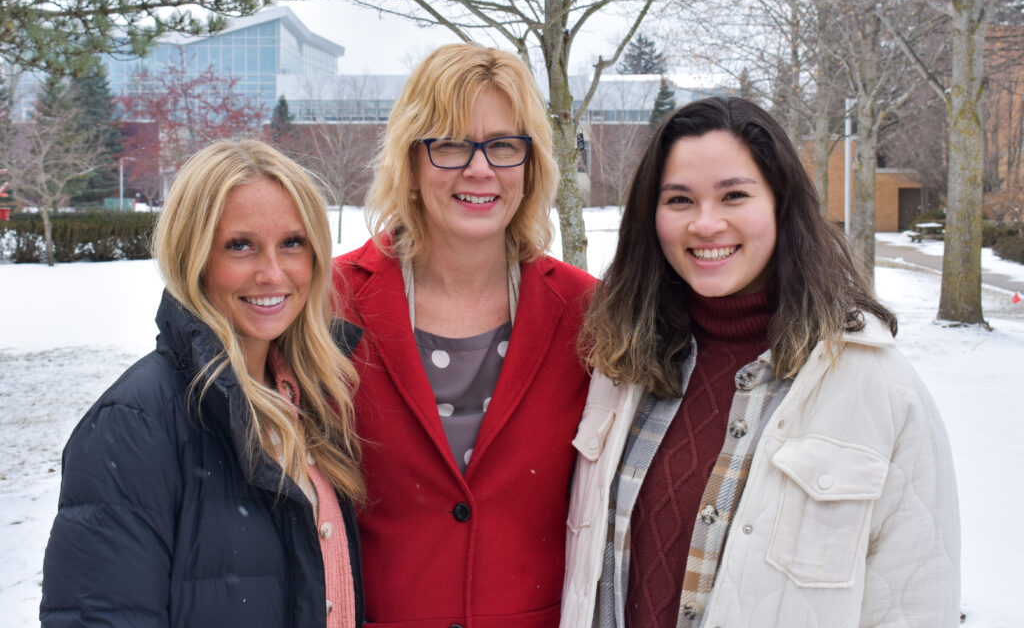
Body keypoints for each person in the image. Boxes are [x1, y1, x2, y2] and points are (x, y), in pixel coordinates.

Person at [562, 97, 960, 627]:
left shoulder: (880, 390)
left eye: (734, 195)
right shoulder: (619, 363)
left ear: (781, 204)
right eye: (680, 200)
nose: (706, 224)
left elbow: (914, 605)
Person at [41, 140, 365, 628]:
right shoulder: (135, 425)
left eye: (292, 243)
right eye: (240, 246)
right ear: (193, 256)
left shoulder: (311, 400)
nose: (273, 273)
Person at [333, 43, 596, 628]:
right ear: (411, 158)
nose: (480, 170)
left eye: (503, 145)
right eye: (450, 144)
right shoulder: (330, 301)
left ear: (530, 164)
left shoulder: (588, 312)